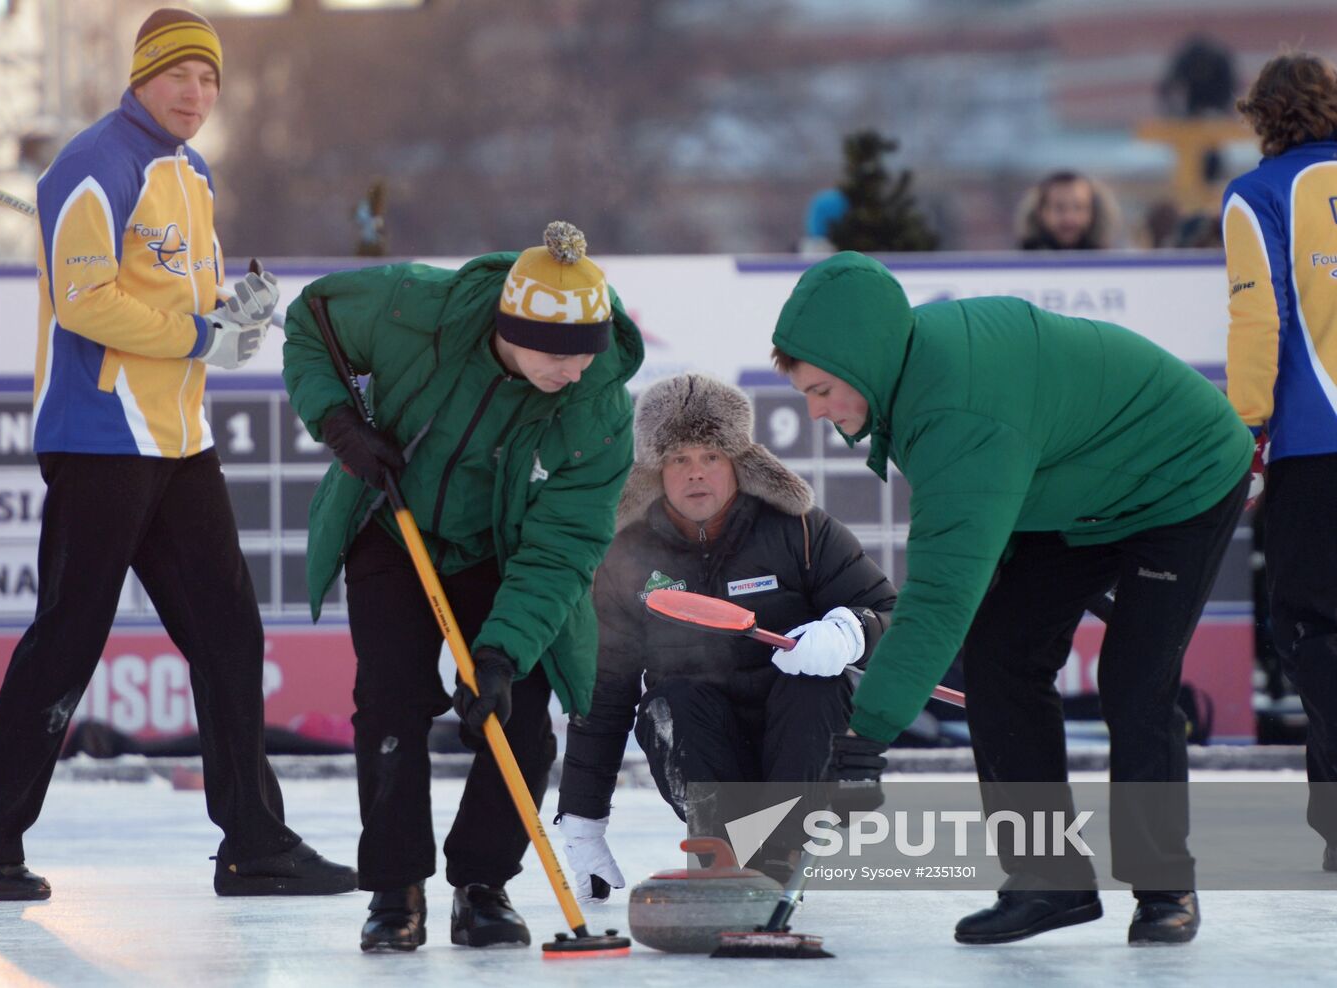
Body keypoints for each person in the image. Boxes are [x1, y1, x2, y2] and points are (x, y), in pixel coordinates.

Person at [0, 8, 355, 902]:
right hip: (102, 436)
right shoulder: (93, 162)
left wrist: (232, 315)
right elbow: (86, 303)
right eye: (179, 77)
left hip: (177, 440)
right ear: (141, 78)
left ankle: (254, 844)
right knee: (68, 640)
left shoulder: (190, 170)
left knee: (229, 634)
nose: (195, 94)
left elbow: (177, 295)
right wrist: (203, 336)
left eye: (208, 80)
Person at [771, 252, 1251, 945]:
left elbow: (939, 597)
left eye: (820, 390)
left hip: (1180, 480)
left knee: (1134, 682)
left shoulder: (954, 408)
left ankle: (1164, 887)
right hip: (1077, 491)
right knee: (999, 656)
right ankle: (1048, 881)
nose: (815, 412)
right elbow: (979, 522)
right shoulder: (907, 377)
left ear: (862, 360)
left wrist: (866, 736)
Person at [281, 221, 642, 952]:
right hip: (393, 526)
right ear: (511, 330)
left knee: (521, 717)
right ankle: (395, 889)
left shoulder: (596, 407)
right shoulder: (417, 310)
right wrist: (341, 425)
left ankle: (482, 886)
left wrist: (501, 656)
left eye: (587, 353)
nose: (575, 370)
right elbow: (310, 320)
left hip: (505, 553)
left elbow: (563, 548)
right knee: (390, 701)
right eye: (557, 353)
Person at [555, 373, 896, 895]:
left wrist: (853, 631)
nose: (696, 473)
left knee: (818, 684)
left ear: (739, 461)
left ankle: (781, 854)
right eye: (679, 459)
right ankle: (722, 854)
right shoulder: (625, 557)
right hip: (704, 754)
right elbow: (605, 691)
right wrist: (583, 820)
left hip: (802, 751)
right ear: (655, 471)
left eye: (711, 456)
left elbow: (891, 615)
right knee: (670, 701)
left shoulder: (802, 530)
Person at [1222, 52, 1337, 868]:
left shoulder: (1258, 194)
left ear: (1262, 117)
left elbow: (1258, 321)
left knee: (1310, 626)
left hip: (1313, 441)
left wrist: (1246, 432)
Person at [1015, 171, 1119, 250]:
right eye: (1059, 207)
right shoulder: (1015, 266)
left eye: (1078, 207)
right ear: (1040, 212)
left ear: (1093, 212)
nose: (1069, 217)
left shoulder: (1112, 267)